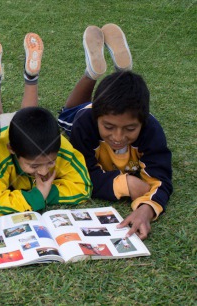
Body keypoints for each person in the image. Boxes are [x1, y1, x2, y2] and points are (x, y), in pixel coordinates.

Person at [58, 24, 173, 240]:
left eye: (130, 129)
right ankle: (92, 72)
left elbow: (162, 181)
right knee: (65, 116)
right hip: (83, 113)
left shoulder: (152, 130)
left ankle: (120, 76)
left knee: (118, 105)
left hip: (113, 110)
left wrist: (146, 209)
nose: (118, 137)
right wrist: (125, 183)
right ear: (97, 119)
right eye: (109, 127)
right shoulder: (87, 123)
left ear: (142, 122)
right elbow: (81, 174)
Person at [0, 33, 92, 217]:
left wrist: (48, 192)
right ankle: (0, 81)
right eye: (34, 166)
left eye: (50, 163)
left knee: (30, 114)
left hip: (25, 125)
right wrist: (37, 195)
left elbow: (84, 187)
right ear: (12, 149)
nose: (44, 172)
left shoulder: (60, 145)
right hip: (0, 130)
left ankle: (3, 80)